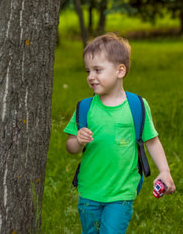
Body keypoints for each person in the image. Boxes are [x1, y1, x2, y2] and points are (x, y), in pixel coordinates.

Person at [64, 33, 176, 234]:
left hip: (121, 191)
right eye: (88, 71)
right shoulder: (85, 107)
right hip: (89, 190)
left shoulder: (137, 106)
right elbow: (70, 146)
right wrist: (78, 141)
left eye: (97, 70)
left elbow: (152, 142)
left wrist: (165, 171)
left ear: (120, 70)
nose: (91, 76)